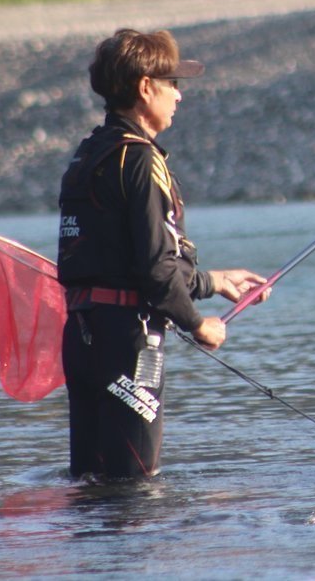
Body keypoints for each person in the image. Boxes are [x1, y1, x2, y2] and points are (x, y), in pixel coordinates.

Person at [57, 28, 268, 480]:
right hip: (130, 343)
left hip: (82, 339)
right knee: (135, 487)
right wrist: (197, 323)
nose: (178, 96)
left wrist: (212, 281)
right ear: (144, 87)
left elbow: (123, 261)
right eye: (172, 83)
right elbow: (155, 269)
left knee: (92, 484)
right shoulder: (140, 160)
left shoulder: (90, 154)